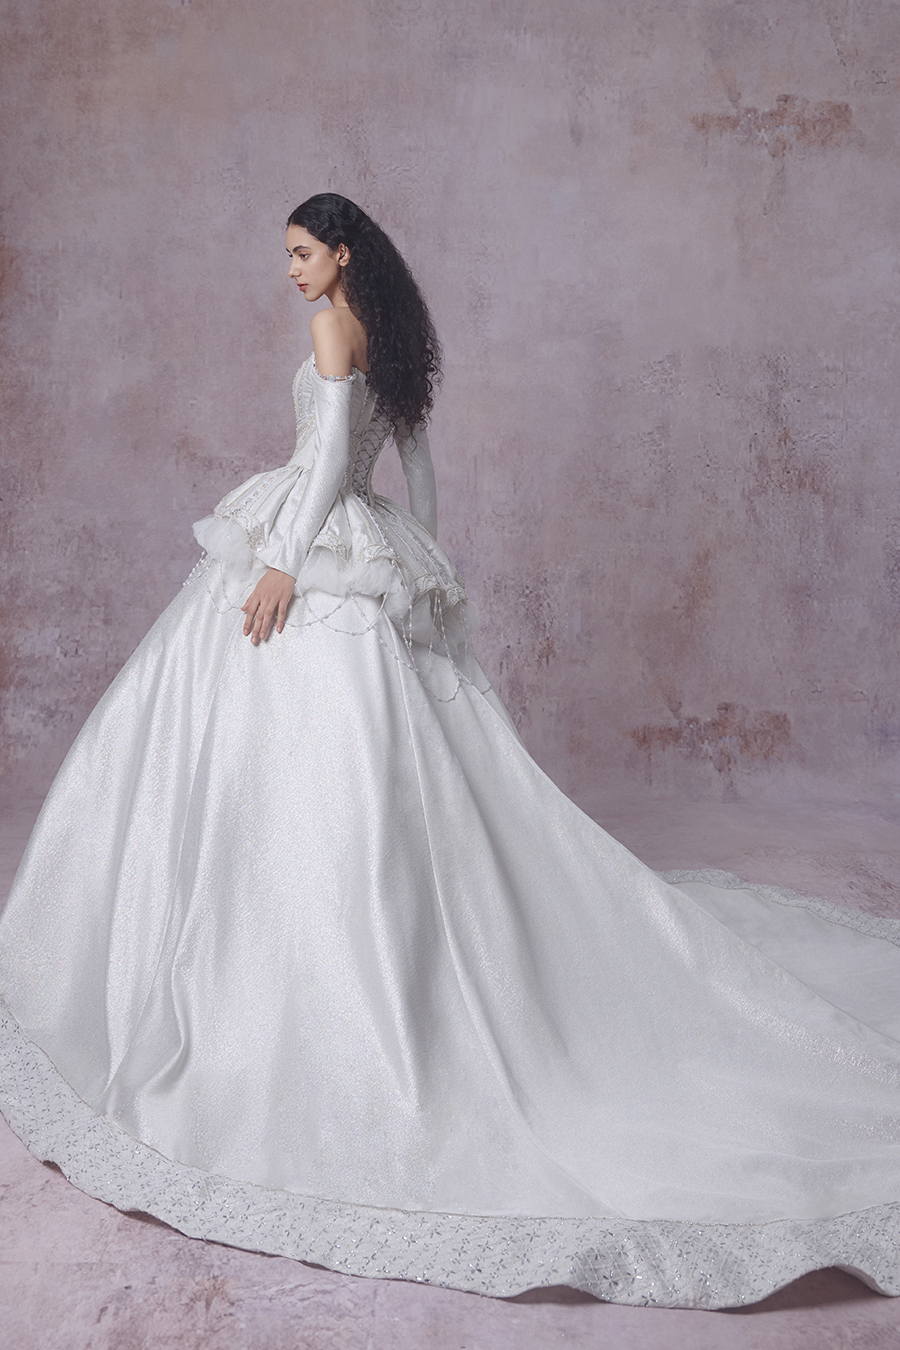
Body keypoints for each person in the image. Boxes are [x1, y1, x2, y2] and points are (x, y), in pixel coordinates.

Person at [0, 193, 898, 1311]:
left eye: (301, 253)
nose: (290, 271)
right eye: (287, 256)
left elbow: (327, 458)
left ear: (341, 254)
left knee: (295, 757)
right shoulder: (390, 333)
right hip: (367, 538)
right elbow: (413, 462)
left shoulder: (332, 326)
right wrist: (426, 560)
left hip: (313, 535)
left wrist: (282, 562)